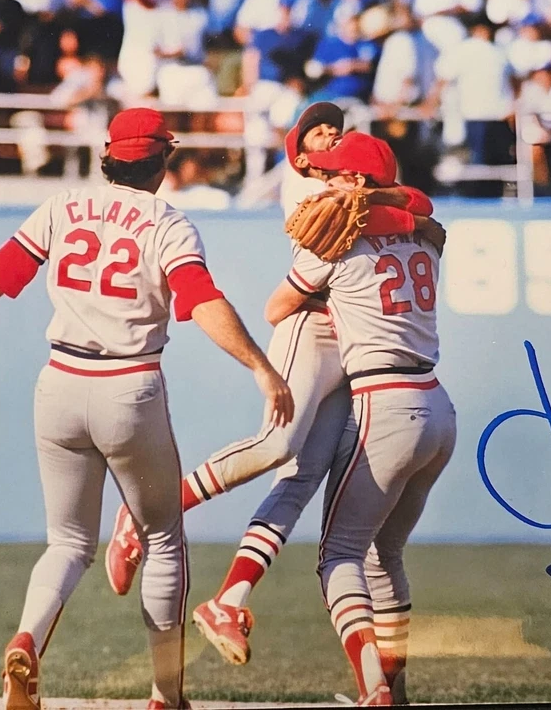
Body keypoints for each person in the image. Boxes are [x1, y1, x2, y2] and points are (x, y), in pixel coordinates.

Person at [0, 108, 294, 710]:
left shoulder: (63, 205)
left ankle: (27, 640)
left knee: (68, 543)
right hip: (129, 388)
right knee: (162, 538)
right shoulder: (168, 223)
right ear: (160, 162)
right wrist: (260, 366)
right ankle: (165, 696)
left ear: (108, 157)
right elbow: (201, 300)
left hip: (58, 385)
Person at [104, 105, 444, 682]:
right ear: (301, 155)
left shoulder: (353, 195)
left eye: (335, 129)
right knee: (277, 445)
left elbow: (417, 206)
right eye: (316, 133)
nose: (329, 135)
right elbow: (287, 295)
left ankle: (231, 600)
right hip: (310, 326)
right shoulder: (306, 184)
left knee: (303, 478)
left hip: (354, 342)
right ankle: (139, 518)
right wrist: (362, 192)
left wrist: (376, 198)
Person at [265, 135, 456, 706]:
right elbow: (418, 208)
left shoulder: (334, 245)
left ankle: (373, 687)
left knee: (339, 557)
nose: (322, 183)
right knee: (385, 556)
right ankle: (393, 692)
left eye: (333, 176)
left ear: (356, 182)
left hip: (384, 404)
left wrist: (327, 294)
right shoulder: (428, 237)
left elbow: (276, 309)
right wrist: (374, 197)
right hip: (438, 409)